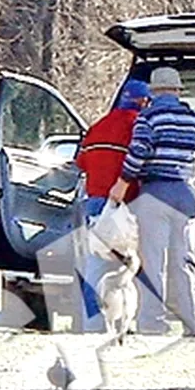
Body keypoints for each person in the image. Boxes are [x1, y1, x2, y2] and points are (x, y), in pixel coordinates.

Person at [109, 67, 195, 336]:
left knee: (153, 261)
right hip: (185, 196)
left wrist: (123, 182)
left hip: (155, 193)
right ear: (178, 90)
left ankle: (152, 322)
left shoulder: (148, 117)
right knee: (184, 262)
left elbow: (138, 151)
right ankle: (194, 322)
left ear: (153, 91)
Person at [75, 79, 150, 331]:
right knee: (133, 264)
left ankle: (92, 322)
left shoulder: (98, 126)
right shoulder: (139, 127)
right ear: (143, 102)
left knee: (95, 266)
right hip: (127, 206)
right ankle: (130, 321)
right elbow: (142, 162)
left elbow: (81, 163)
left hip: (95, 204)